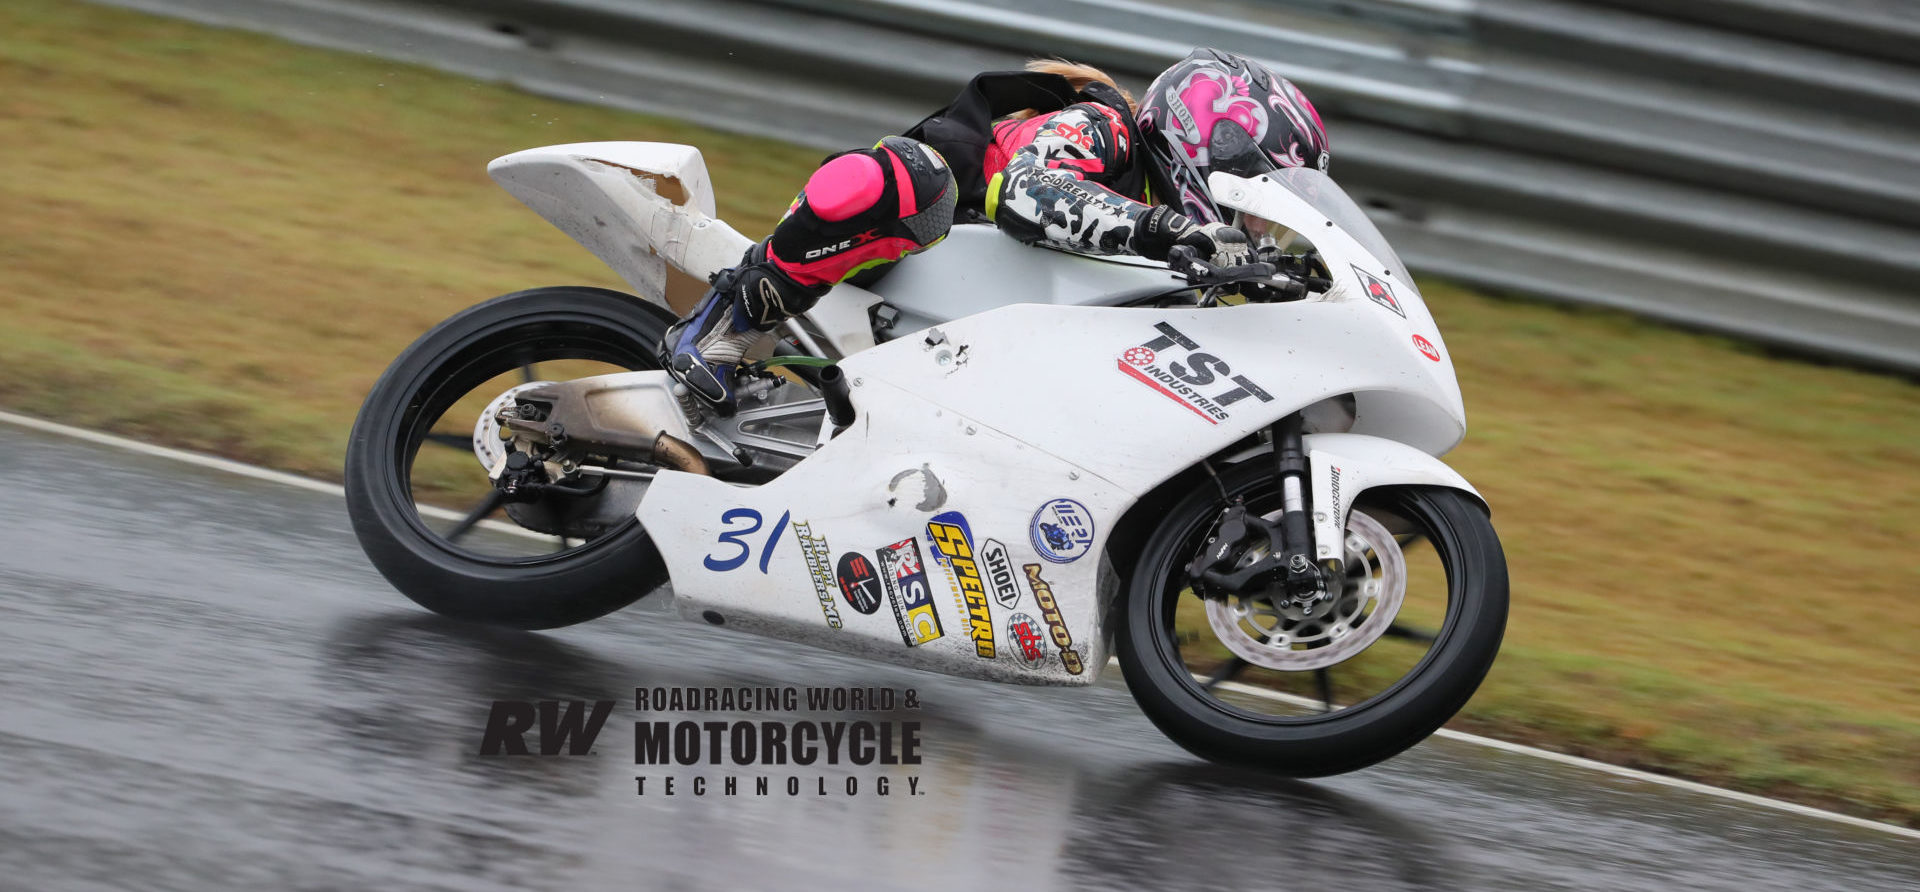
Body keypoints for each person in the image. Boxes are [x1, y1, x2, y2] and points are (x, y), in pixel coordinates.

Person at [661, 48, 1332, 406]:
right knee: (915, 176)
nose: (1254, 222)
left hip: (971, 343)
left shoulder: (1180, 250)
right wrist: (1160, 228)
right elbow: (1029, 193)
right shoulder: (1105, 129)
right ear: (1206, 145)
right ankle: (726, 320)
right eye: (1252, 200)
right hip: (898, 260)